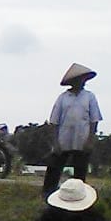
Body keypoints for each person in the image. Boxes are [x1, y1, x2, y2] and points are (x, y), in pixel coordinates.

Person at [42, 63, 102, 199]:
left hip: (82, 139)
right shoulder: (63, 97)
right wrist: (55, 142)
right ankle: (48, 194)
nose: (81, 82)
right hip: (64, 140)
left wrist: (90, 140)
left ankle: (79, 197)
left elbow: (94, 120)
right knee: (54, 169)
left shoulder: (89, 97)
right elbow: (54, 121)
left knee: (80, 171)